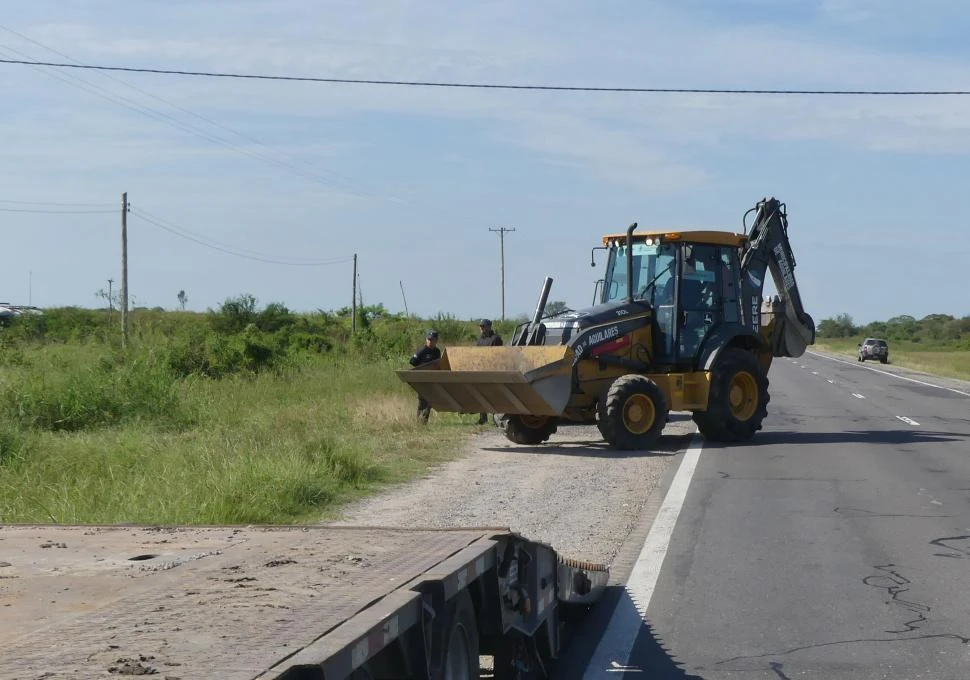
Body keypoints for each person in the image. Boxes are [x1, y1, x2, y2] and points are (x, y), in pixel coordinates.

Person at [409, 330, 441, 423]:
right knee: (422, 401)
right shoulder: (422, 351)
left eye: (433, 340)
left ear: (436, 341)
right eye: (429, 339)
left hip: (432, 380)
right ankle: (419, 420)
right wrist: (421, 367)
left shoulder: (437, 351)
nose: (430, 341)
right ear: (426, 340)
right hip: (422, 380)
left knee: (430, 401)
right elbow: (412, 361)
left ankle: (424, 420)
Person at [475, 319, 503, 424]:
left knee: (494, 395)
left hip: (493, 370)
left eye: (484, 326)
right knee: (481, 394)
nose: (482, 328)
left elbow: (498, 355)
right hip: (481, 370)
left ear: (489, 326)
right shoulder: (480, 340)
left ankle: (497, 419)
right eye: (481, 326)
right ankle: (483, 418)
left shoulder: (495, 339)